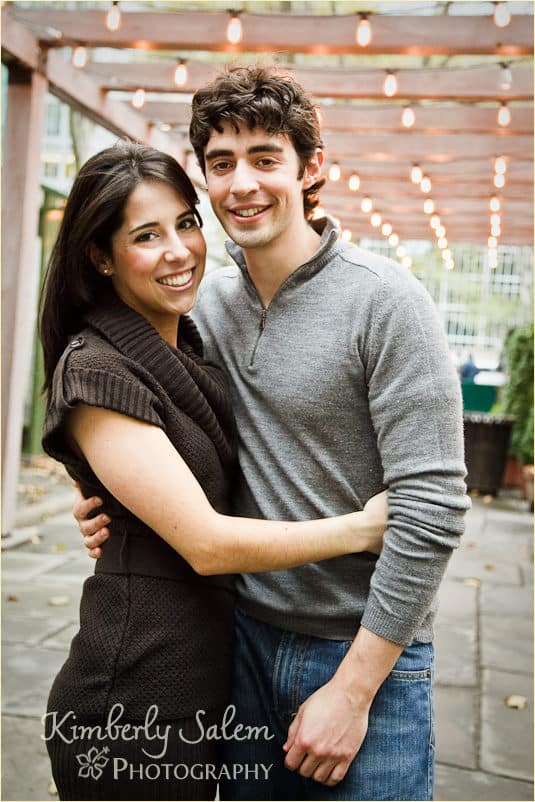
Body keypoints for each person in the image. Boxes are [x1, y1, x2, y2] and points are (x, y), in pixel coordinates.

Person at [77, 66, 470, 801]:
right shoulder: (203, 308)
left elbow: (433, 508)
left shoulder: (386, 303)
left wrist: (352, 692)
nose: (242, 184)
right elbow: (157, 426)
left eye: (265, 158)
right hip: (240, 646)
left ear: (311, 167)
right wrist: (109, 501)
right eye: (221, 164)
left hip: (365, 654)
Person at [38, 141, 388, 801]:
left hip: (197, 685)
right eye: (146, 235)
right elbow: (204, 544)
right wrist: (364, 528)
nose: (179, 250)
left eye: (186, 222)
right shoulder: (96, 368)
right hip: (132, 701)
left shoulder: (187, 346)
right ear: (100, 255)